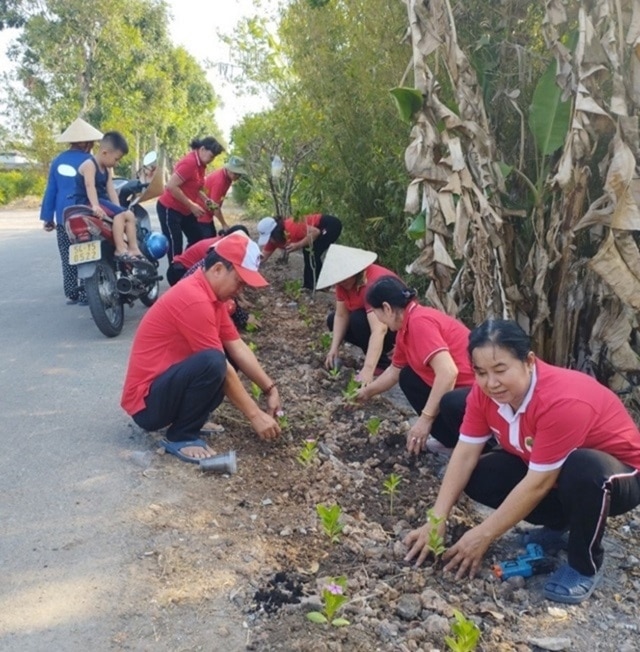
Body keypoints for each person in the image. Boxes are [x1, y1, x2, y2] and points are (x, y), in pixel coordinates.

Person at [404, 319, 640, 605]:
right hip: (554, 468)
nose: (491, 382)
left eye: (500, 370)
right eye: (480, 372)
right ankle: (559, 523)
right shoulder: (486, 393)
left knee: (584, 468)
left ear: (528, 361)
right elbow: (464, 454)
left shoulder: (561, 401)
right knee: (480, 476)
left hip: (619, 476)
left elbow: (538, 483)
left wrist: (484, 534)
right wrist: (436, 520)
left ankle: (583, 564)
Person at [121, 233, 282, 463]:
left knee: (224, 358)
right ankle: (181, 435)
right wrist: (255, 416)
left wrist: (270, 389)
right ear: (217, 269)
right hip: (147, 406)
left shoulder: (213, 298)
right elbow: (220, 366)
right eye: (239, 281)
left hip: (164, 389)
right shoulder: (194, 298)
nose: (240, 290)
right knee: (214, 362)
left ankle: (192, 418)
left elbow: (238, 347)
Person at [355, 276, 474, 455]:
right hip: (460, 390)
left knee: (450, 402)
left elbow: (448, 373)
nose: (380, 321)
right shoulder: (406, 328)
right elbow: (394, 371)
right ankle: (449, 440)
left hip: (476, 393)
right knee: (408, 377)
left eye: (377, 314)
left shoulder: (420, 322)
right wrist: (366, 392)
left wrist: (425, 420)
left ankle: (478, 448)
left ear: (386, 308)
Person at [40, 117, 103, 305]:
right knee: (87, 252)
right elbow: (97, 188)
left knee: (66, 253)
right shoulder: (90, 161)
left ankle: (71, 293)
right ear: (84, 142)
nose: (92, 145)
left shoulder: (57, 161)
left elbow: (51, 189)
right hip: (85, 214)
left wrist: (47, 218)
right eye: (91, 142)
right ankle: (86, 294)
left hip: (63, 215)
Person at [316, 244, 397, 385]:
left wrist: (368, 369)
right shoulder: (343, 286)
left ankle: (382, 363)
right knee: (332, 319)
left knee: (357, 319)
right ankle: (377, 356)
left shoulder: (372, 284)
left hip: (395, 329)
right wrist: (333, 348)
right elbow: (341, 316)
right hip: (374, 324)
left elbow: (380, 329)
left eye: (345, 277)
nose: (342, 282)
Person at [74, 131, 144, 261]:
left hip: (100, 201)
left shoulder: (106, 169)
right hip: (87, 202)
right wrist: (95, 206)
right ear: (105, 153)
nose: (117, 163)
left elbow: (111, 190)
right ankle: (120, 248)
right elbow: (90, 186)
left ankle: (133, 248)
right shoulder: (90, 165)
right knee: (120, 215)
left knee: (128, 215)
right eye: (116, 159)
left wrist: (119, 208)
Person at [156, 137, 225, 262]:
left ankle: (187, 265)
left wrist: (206, 200)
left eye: (214, 157)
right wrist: (192, 205)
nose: (212, 160)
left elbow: (196, 187)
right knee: (175, 245)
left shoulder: (201, 165)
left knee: (197, 238)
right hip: (169, 208)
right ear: (202, 149)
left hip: (185, 210)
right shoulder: (190, 163)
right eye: (211, 156)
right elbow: (171, 186)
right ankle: (175, 275)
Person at [258, 213, 342, 290]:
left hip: (329, 225)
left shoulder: (292, 227)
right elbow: (263, 257)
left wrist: (298, 244)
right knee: (309, 253)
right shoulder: (274, 240)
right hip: (317, 230)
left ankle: (319, 285)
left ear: (275, 232)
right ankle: (310, 286)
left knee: (312, 253)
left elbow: (315, 232)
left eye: (270, 237)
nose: (270, 241)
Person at [166, 224, 249, 287]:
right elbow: (215, 277)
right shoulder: (218, 247)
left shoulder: (222, 241)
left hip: (182, 270)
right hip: (178, 272)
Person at [197, 156, 248, 238]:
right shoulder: (220, 181)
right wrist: (224, 224)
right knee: (207, 239)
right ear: (228, 169)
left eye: (239, 174)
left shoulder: (228, 178)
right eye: (235, 173)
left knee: (210, 237)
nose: (237, 176)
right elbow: (213, 206)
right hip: (201, 212)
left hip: (207, 212)